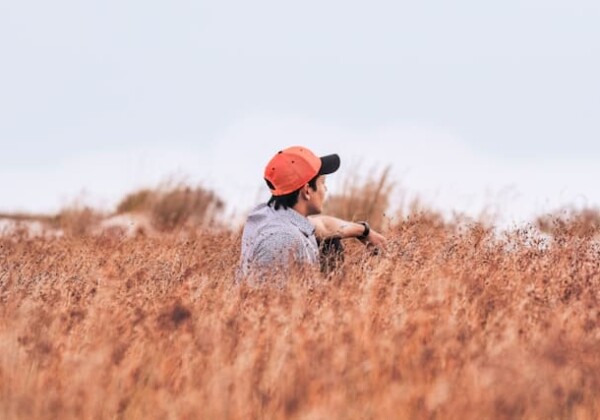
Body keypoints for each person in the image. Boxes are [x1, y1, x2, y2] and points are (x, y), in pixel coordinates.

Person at [238, 146, 387, 281]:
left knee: (329, 242)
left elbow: (323, 225)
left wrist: (364, 231)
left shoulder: (270, 213)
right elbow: (269, 303)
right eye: (323, 183)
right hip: (295, 309)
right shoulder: (281, 240)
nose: (326, 190)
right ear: (307, 190)